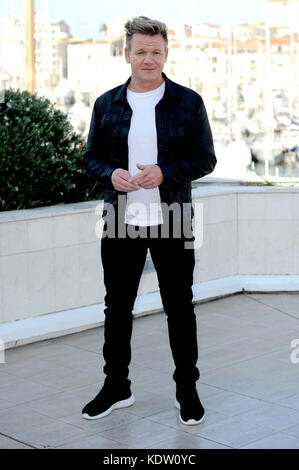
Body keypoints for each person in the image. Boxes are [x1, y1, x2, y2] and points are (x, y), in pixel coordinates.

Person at [82, 16, 216, 425]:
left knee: (179, 306)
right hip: (120, 219)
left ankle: (186, 389)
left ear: (166, 54)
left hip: (172, 217)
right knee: (117, 308)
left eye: (155, 52)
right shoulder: (106, 104)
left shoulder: (188, 102)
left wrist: (165, 172)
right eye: (140, 51)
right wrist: (110, 175)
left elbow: (205, 158)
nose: (148, 59)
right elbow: (91, 158)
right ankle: (116, 387)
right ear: (127, 54)